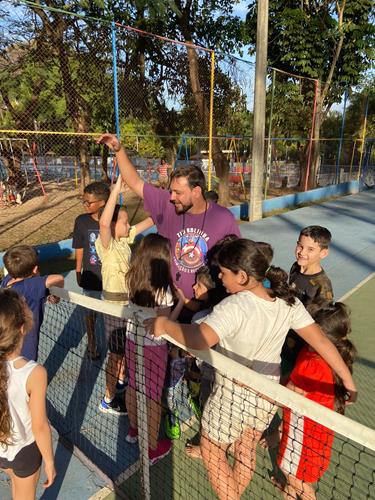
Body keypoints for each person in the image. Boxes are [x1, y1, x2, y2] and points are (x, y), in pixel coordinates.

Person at [146, 238, 357, 500]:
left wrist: (164, 325)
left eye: (223, 273)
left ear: (242, 276)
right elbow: (322, 341)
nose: (219, 278)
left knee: (212, 451)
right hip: (266, 396)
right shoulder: (287, 301)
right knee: (245, 452)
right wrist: (348, 382)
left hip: (231, 397)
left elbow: (200, 339)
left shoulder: (234, 306)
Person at [96, 134, 241, 300]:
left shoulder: (223, 218)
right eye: (171, 191)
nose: (172, 197)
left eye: (178, 192)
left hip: (207, 307)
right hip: (167, 304)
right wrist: (119, 150)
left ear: (196, 192)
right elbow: (135, 182)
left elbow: (237, 262)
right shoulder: (168, 204)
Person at [276, 301, 357, 500]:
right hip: (315, 437)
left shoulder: (311, 362)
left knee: (299, 482)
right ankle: (290, 491)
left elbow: (285, 396)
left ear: (319, 332)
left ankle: (294, 490)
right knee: (296, 481)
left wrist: (255, 384)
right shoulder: (323, 354)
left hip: (303, 440)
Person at [124, 234, 185, 465]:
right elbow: (165, 327)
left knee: (133, 385)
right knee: (152, 397)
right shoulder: (164, 291)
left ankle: (133, 430)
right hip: (153, 348)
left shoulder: (132, 279)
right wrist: (180, 302)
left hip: (132, 341)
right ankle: (151, 449)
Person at [95, 174, 154, 415]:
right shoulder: (106, 245)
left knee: (124, 352)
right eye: (124, 222)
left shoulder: (123, 240)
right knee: (116, 354)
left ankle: (120, 382)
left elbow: (148, 222)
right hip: (114, 309)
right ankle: (108, 399)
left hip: (128, 307)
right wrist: (115, 191)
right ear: (111, 225)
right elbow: (103, 223)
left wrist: (160, 202)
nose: (128, 225)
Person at [0, 289, 55, 498]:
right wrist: (49, 461)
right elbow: (39, 425)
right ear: (23, 328)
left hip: (2, 447)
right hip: (24, 451)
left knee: (16, 482)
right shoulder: (35, 373)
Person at [282, 225, 333, 376]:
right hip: (281, 338)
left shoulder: (322, 287)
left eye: (310, 249)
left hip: (298, 351)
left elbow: (319, 326)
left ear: (323, 253)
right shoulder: (295, 267)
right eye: (300, 245)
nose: (302, 252)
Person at [1, 245, 64, 361]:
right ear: (35, 269)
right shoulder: (31, 286)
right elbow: (58, 278)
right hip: (26, 343)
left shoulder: (6, 281)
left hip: (7, 337)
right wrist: (56, 296)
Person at [72, 181, 110, 360]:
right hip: (91, 276)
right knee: (90, 314)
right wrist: (78, 271)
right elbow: (79, 247)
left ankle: (117, 348)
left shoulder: (114, 218)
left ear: (103, 203)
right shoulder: (81, 221)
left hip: (112, 279)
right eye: (84, 201)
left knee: (113, 316)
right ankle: (92, 341)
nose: (85, 205)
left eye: (89, 202)